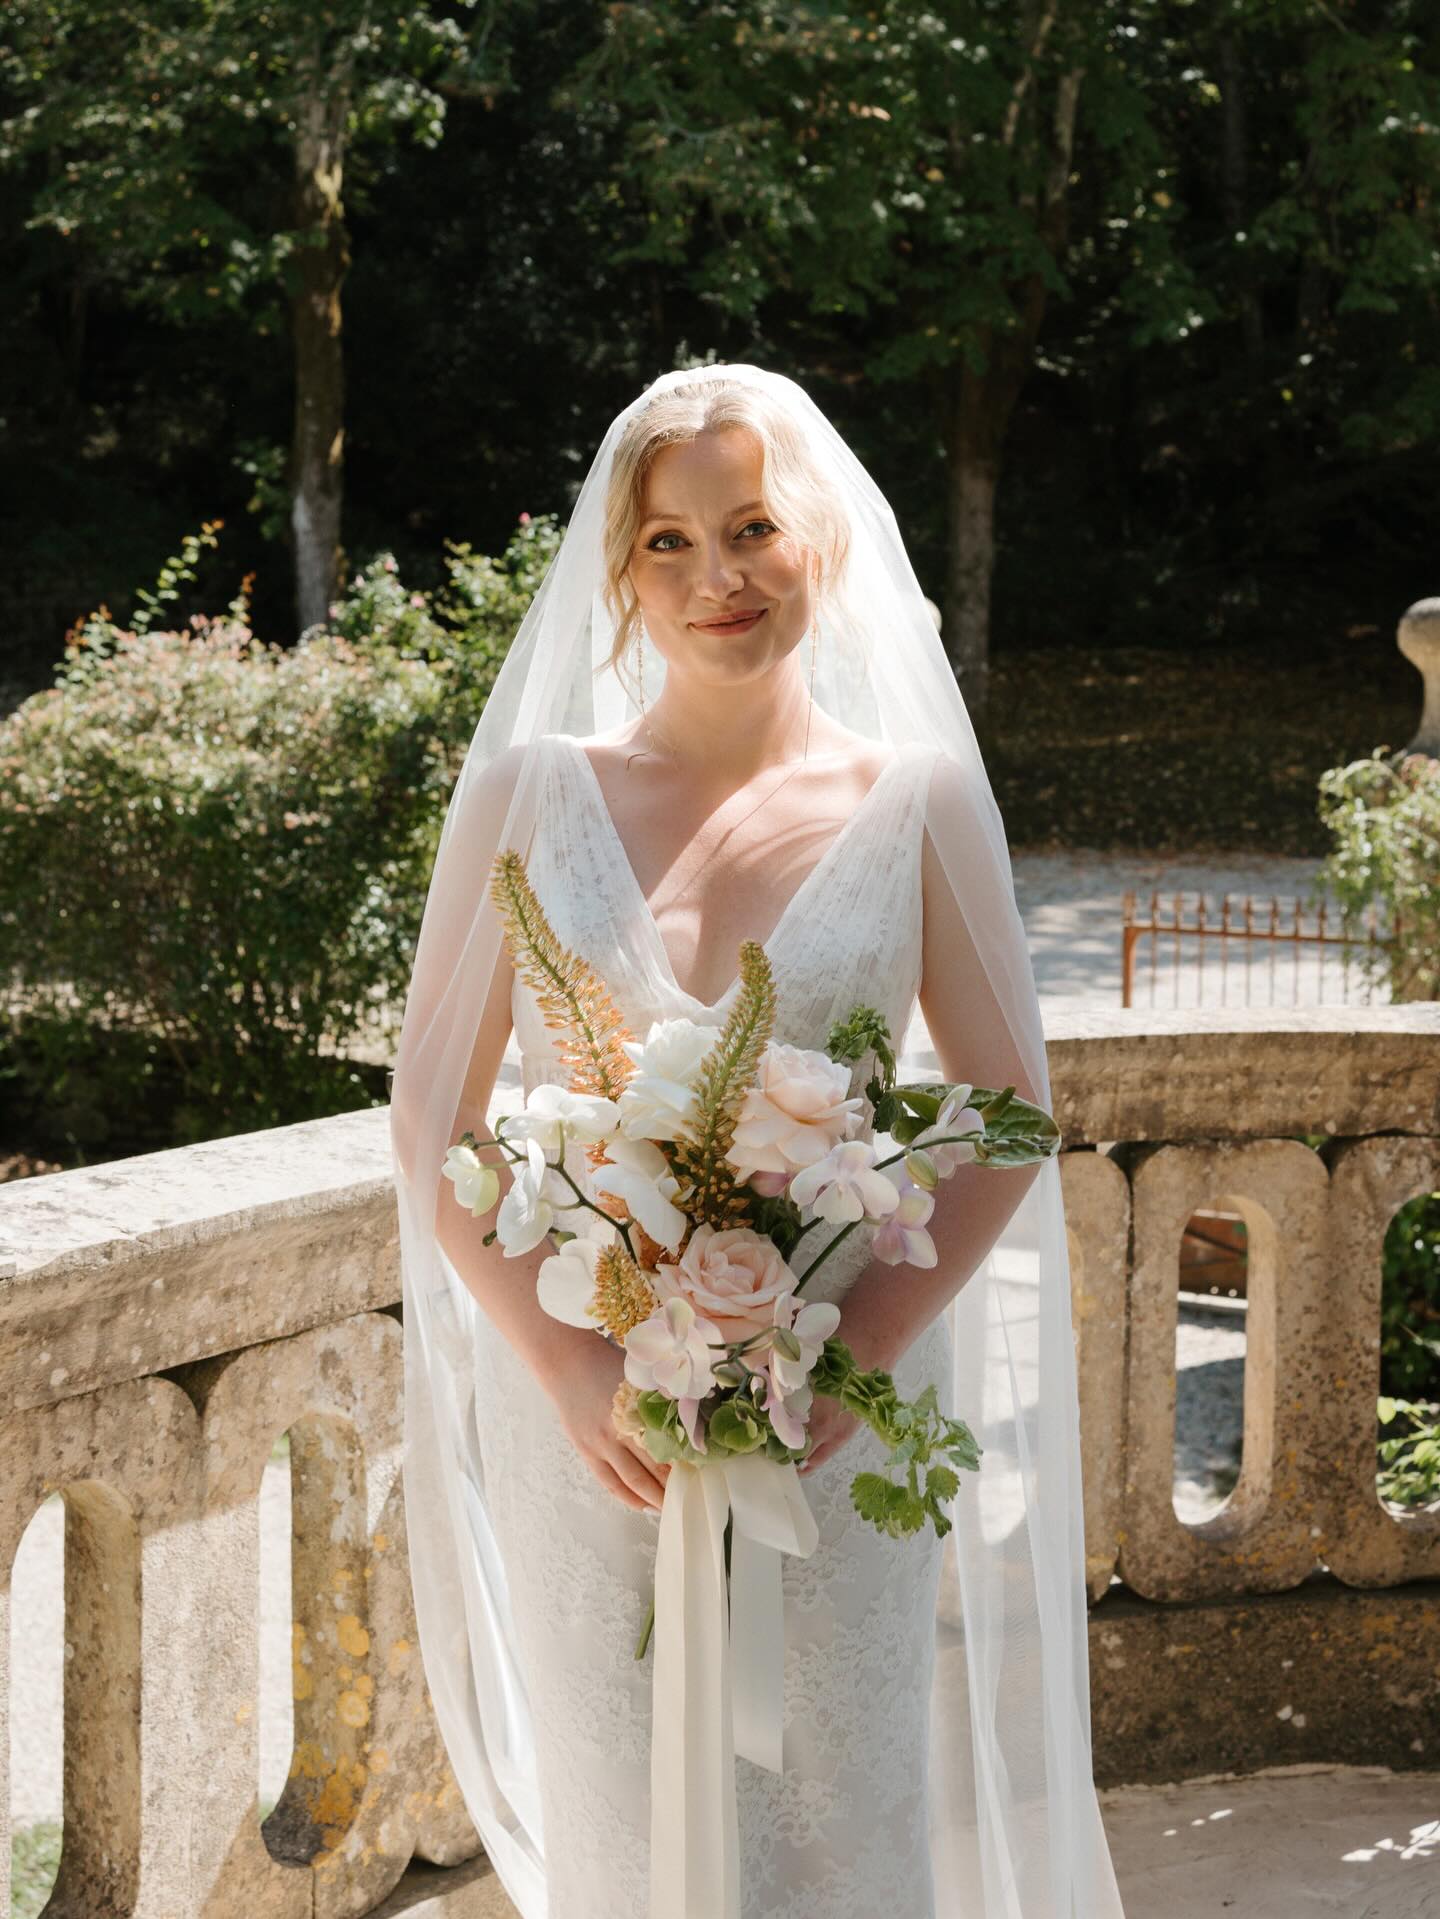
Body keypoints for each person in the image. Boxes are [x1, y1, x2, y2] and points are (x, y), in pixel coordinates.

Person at [388, 364, 1127, 1917]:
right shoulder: (529, 798)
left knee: (836, 1826)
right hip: (596, 1431)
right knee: (629, 1829)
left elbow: (1007, 1116)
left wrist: (856, 1352)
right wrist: (568, 1368)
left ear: (825, 544)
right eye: (668, 540)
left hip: (836, 1422)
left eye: (753, 528)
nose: (714, 575)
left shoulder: (916, 803)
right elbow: (432, 1119)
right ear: (620, 572)